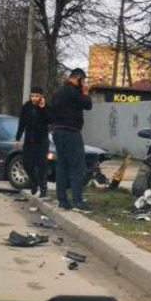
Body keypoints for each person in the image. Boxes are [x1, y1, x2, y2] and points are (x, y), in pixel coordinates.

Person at [49, 68, 93, 212]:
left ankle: (62, 200)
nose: (85, 83)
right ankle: (77, 201)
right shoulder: (75, 92)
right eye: (84, 80)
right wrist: (85, 92)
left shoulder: (57, 92)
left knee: (62, 166)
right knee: (77, 167)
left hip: (57, 132)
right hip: (71, 132)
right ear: (78, 78)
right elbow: (88, 105)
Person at [15, 86, 50, 197]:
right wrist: (17, 138)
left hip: (42, 141)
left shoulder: (45, 106)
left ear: (41, 96)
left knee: (41, 165)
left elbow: (51, 119)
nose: (34, 98)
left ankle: (43, 188)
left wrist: (43, 108)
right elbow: (21, 123)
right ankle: (35, 182)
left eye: (37, 96)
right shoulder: (26, 107)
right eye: (32, 96)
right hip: (29, 141)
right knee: (27, 164)